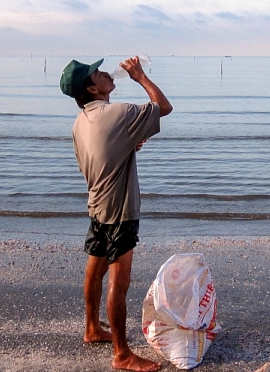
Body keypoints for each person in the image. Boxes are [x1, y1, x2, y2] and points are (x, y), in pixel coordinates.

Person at [60, 56, 173, 372]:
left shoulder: (80, 122)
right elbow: (163, 107)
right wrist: (140, 76)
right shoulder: (117, 112)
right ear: (93, 87)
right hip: (120, 210)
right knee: (118, 282)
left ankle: (92, 328)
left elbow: (95, 159)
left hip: (97, 205)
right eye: (97, 73)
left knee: (94, 269)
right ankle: (122, 354)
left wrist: (127, 145)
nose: (106, 73)